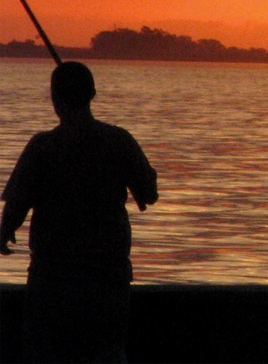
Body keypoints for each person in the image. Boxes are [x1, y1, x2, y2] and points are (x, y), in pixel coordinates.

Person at [1, 61, 158, 362]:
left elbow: (16, 204)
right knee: (106, 353)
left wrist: (3, 234)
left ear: (55, 98)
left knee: (47, 353)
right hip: (107, 276)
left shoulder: (42, 146)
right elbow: (149, 195)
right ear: (92, 94)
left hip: (53, 277)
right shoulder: (119, 140)